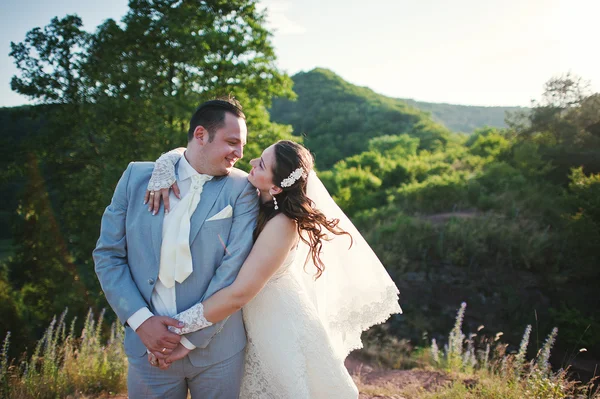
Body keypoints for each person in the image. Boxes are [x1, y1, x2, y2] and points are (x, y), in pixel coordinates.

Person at [146, 139, 403, 398]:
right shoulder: (255, 195)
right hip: (247, 320)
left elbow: (239, 293)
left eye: (261, 164)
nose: (251, 163)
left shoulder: (283, 225)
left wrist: (172, 329)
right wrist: (165, 166)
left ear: (277, 186)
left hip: (276, 326)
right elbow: (192, 154)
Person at [93, 98, 257, 398]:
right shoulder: (135, 178)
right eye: (232, 142)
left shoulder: (242, 189)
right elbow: (108, 256)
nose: (240, 153)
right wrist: (142, 323)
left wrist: (188, 337)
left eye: (242, 145)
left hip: (218, 351)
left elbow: (232, 271)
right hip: (148, 350)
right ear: (200, 135)